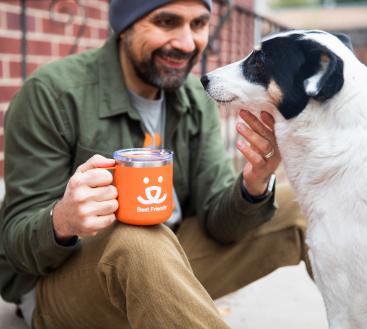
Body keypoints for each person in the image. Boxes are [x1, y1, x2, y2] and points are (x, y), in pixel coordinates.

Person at [0, 0, 309, 328]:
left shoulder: (192, 97)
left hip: (164, 260)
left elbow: (220, 224)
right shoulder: (53, 93)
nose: (187, 43)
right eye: (166, 22)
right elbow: (15, 244)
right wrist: (62, 220)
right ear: (125, 26)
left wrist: (254, 184)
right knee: (137, 238)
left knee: (301, 205)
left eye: (199, 24)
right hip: (64, 286)